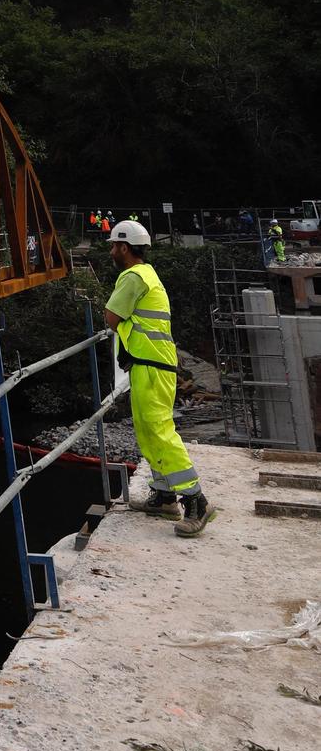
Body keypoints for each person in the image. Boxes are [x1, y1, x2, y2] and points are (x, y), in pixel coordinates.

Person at [104, 220, 216, 537]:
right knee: (149, 430)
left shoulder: (132, 277)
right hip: (150, 363)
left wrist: (122, 334)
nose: (112, 251)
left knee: (159, 431)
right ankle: (165, 495)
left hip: (152, 365)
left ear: (125, 248)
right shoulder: (148, 274)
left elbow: (111, 318)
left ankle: (196, 501)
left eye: (114, 245)